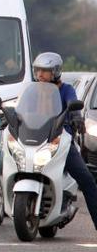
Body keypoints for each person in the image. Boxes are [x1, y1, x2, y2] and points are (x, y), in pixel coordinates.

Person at [32, 52, 97, 231]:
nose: (40, 75)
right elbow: (21, 106)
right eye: (38, 71)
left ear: (56, 71)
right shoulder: (33, 90)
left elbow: (72, 101)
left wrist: (76, 116)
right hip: (34, 140)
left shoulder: (66, 89)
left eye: (45, 71)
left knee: (87, 180)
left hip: (60, 141)